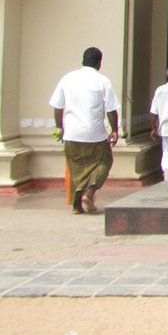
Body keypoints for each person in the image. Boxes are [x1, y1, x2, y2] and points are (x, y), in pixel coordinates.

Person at [50, 47, 120, 214]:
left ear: (83, 60)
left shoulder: (67, 78)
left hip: (72, 133)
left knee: (76, 168)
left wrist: (59, 126)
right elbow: (111, 109)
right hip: (94, 134)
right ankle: (89, 193)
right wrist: (115, 130)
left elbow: (57, 106)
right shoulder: (102, 81)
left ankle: (76, 206)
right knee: (105, 161)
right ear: (99, 63)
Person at [149, 67, 168, 174]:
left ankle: (166, 171)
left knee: (167, 150)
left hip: (164, 126)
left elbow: (154, 112)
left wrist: (153, 127)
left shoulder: (160, 90)